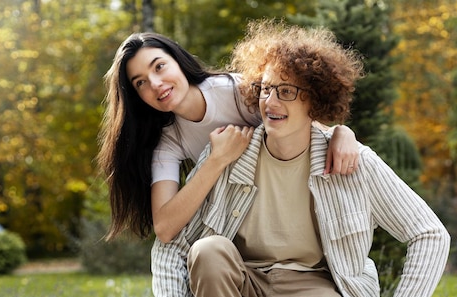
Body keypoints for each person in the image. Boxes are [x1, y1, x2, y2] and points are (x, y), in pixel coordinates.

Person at [151, 20, 451, 297]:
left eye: (287, 91)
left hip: (314, 287)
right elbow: (172, 244)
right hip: (242, 286)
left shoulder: (352, 162)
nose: (271, 102)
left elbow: (429, 233)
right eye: (266, 89)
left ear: (316, 101)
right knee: (208, 251)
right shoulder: (228, 154)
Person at [97, 32, 361, 245]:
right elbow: (165, 228)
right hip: (242, 227)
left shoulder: (235, 92)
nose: (155, 83)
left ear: (178, 60)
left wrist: (342, 132)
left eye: (159, 66)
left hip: (294, 206)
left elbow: (300, 119)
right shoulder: (168, 141)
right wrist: (217, 159)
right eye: (140, 82)